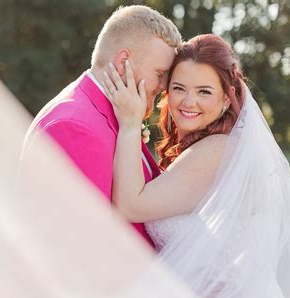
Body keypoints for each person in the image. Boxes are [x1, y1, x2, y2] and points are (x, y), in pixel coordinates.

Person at [102, 34, 290, 298]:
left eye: (204, 91)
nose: (188, 102)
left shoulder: (217, 150)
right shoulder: (213, 148)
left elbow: (131, 206)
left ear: (227, 100)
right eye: (179, 88)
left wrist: (130, 124)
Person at [23, 5, 181, 245]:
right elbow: (89, 246)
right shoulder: (73, 126)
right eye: (160, 73)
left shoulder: (119, 115)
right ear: (123, 62)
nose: (163, 86)